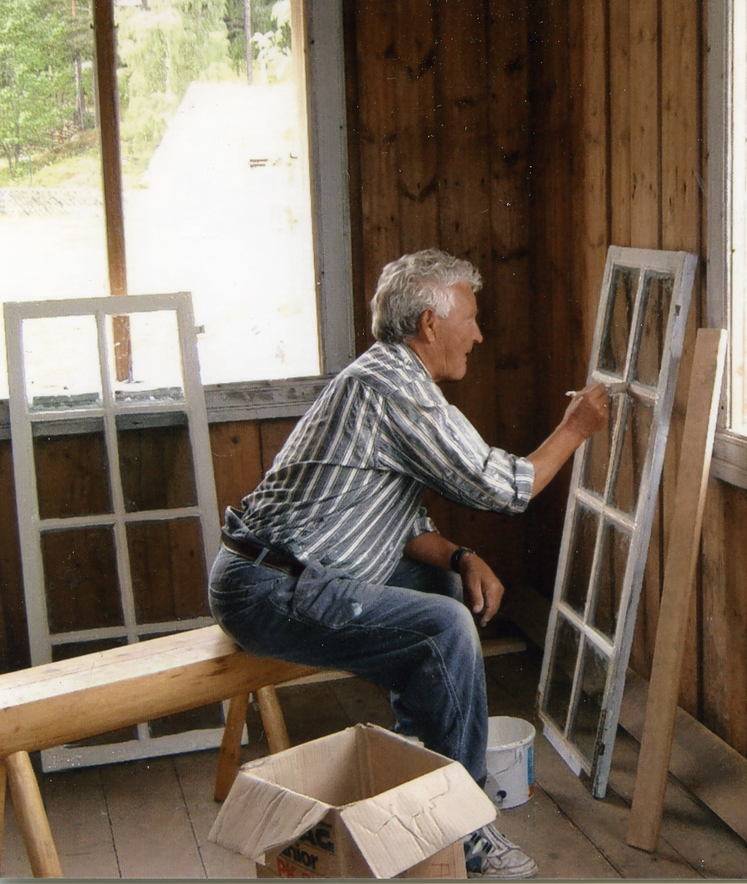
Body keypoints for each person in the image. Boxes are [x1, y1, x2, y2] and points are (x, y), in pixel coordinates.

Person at [208, 249, 608, 878]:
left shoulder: (388, 377)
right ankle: (465, 830)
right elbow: (505, 488)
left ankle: (419, 769)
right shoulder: (391, 386)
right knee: (445, 626)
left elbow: (395, 519)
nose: (477, 334)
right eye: (469, 319)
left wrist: (462, 554)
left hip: (292, 571)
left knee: (446, 583)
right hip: (271, 588)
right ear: (429, 324)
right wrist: (576, 428)